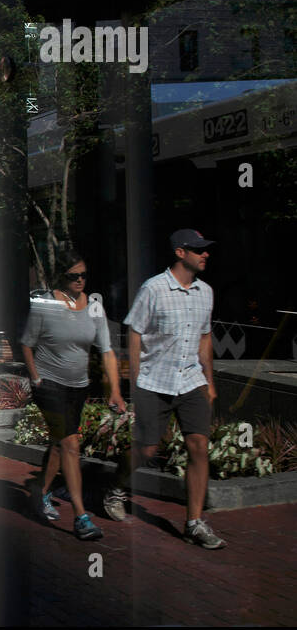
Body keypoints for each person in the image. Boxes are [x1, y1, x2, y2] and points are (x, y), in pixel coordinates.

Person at [105, 229, 224, 549]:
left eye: (206, 249)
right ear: (180, 253)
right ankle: (117, 486)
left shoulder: (206, 291)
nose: (205, 254)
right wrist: (136, 381)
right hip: (154, 383)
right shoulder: (154, 289)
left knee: (199, 448)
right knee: (146, 449)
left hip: (192, 383)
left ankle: (194, 523)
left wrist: (209, 383)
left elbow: (204, 338)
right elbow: (135, 333)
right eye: (198, 250)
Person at [20, 249, 121, 541]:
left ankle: (40, 491)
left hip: (78, 386)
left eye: (83, 275)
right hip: (49, 384)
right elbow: (27, 343)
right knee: (72, 445)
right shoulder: (45, 305)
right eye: (73, 276)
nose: (80, 280)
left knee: (59, 444)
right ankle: (81, 517)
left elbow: (107, 350)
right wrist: (35, 376)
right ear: (62, 277)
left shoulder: (94, 307)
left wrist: (114, 388)